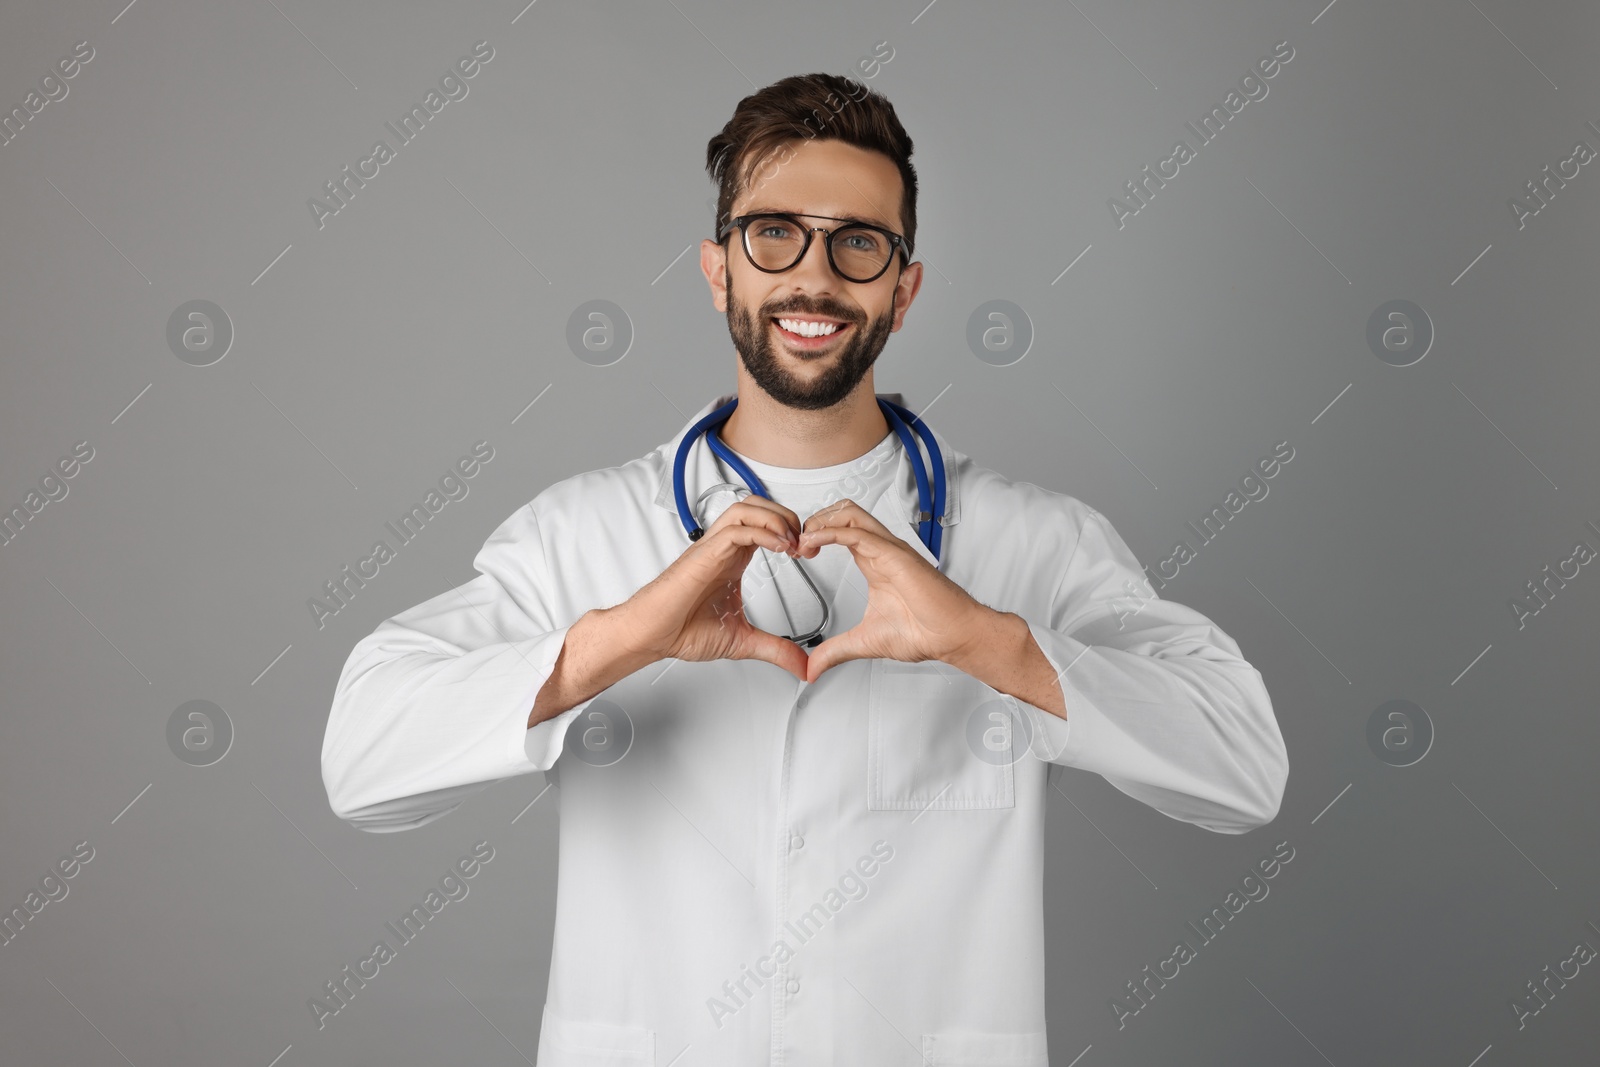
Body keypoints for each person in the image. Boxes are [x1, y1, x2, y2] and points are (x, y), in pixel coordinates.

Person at [320, 71, 1288, 1067]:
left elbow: (1244, 767)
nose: (813, 276)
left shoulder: (1027, 539)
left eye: (857, 243)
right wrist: (618, 641)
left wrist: (990, 641)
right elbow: (361, 762)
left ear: (903, 288)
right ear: (717, 269)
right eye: (772, 232)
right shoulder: (586, 531)